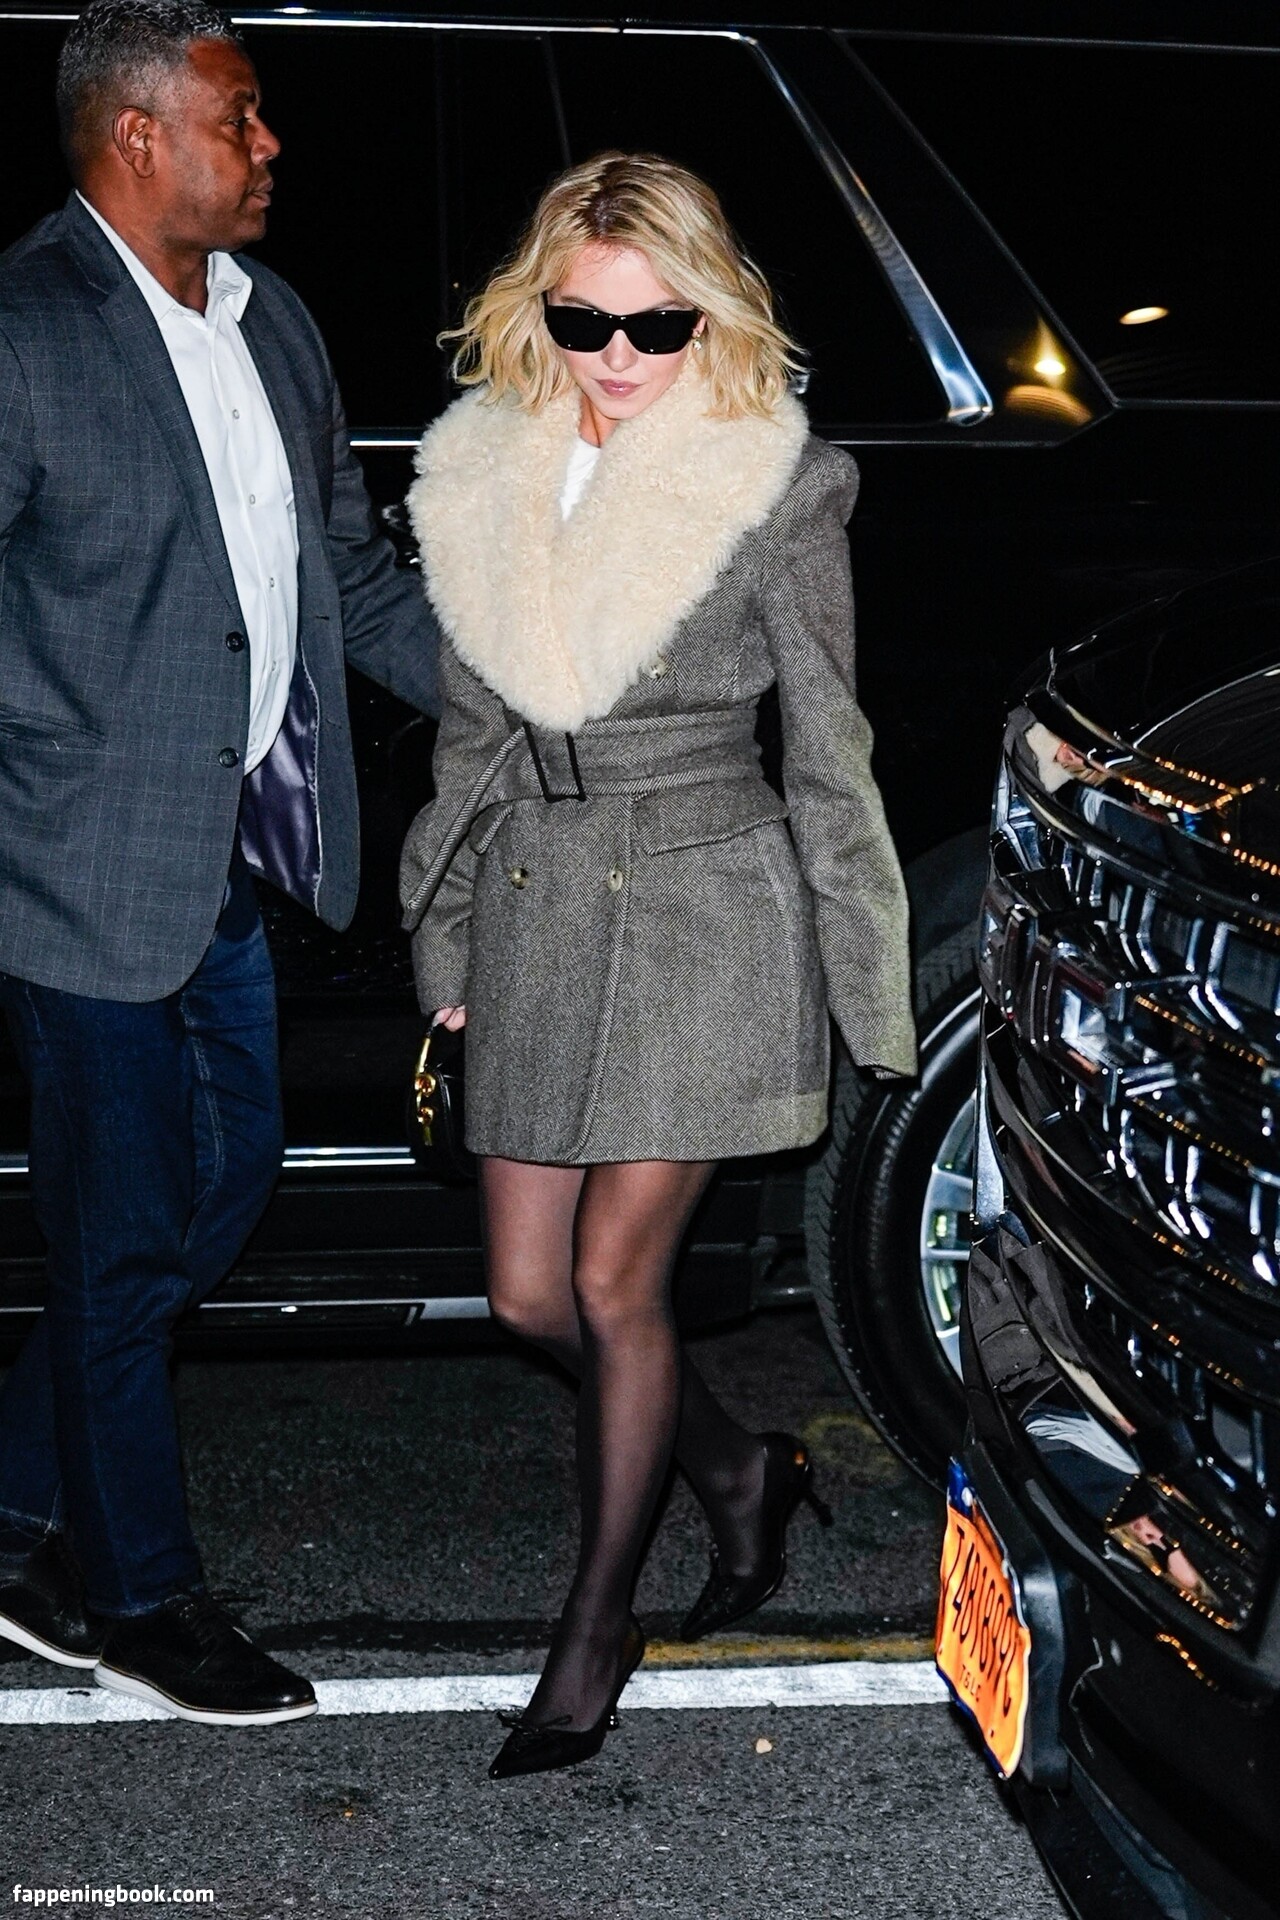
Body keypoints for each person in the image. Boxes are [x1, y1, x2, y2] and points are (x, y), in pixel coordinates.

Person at [400, 151, 916, 1778]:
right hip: (538, 904)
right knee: (527, 1293)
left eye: (657, 326)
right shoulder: (481, 472)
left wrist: (869, 989)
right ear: (536, 311)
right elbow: (471, 741)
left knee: (618, 1286)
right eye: (584, 322)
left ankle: (594, 1630)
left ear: (712, 316)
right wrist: (445, 931)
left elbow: (830, 747)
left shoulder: (775, 482)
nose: (618, 358)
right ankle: (743, 1470)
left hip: (706, 911)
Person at [0, 0, 438, 1724]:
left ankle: (22, 1502)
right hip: (72, 870)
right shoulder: (28, 328)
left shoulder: (276, 321)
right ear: (137, 137)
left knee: (226, 1183)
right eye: (239, 116)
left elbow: (351, 574)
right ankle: (137, 1600)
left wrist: (548, 684)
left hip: (231, 862)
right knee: (119, 1244)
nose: (270, 146)